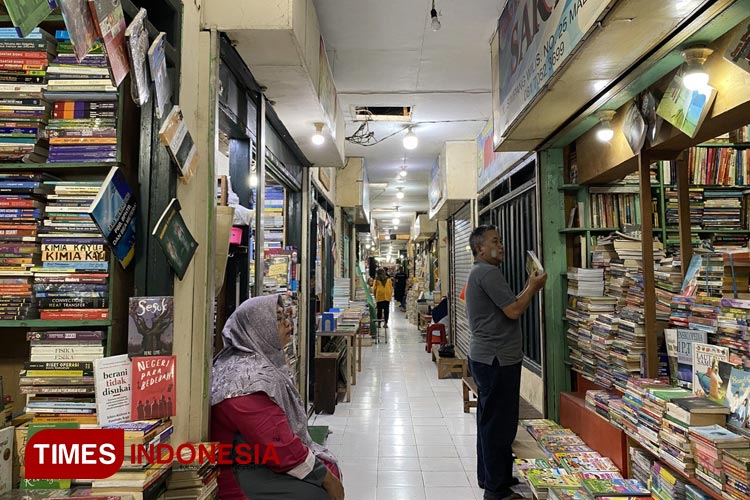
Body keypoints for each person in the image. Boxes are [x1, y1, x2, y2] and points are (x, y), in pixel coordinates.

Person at [211, 295, 344, 500]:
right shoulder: (245, 379)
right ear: (257, 327)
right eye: (279, 319)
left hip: (258, 459)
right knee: (317, 494)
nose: (288, 324)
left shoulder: (256, 362)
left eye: (286, 317)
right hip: (240, 471)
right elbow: (278, 444)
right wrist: (325, 477)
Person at [465, 225, 547, 500]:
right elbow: (513, 310)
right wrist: (533, 288)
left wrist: (527, 284)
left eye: (501, 240)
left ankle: (490, 476)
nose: (501, 245)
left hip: (488, 357)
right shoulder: (487, 272)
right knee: (499, 424)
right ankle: (496, 489)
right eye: (495, 241)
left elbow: (508, 302)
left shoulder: (482, 272)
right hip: (496, 358)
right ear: (480, 249)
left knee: (489, 421)